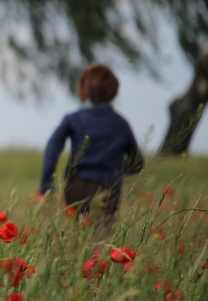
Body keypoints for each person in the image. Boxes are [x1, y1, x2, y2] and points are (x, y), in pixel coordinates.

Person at [39, 63, 144, 217]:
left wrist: (46, 185)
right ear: (113, 92)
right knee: (101, 236)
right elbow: (137, 163)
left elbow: (52, 147)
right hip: (107, 188)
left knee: (79, 233)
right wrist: (114, 169)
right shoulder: (121, 124)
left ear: (83, 89)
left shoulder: (73, 119)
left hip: (76, 187)